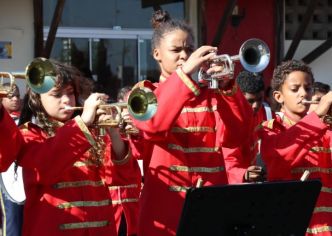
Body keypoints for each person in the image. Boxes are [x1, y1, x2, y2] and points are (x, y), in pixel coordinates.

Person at [130, 10, 253, 236]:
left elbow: (239, 136)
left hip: (212, 207)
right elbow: (154, 124)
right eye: (176, 50)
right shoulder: (145, 92)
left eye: (189, 49)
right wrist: (185, 74)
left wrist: (228, 88)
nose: (185, 56)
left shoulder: (213, 94)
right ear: (157, 53)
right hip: (166, 210)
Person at [17, 59, 140, 236]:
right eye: (57, 94)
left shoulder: (92, 132)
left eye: (70, 93)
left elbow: (125, 179)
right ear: (37, 98)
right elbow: (47, 166)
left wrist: (113, 133)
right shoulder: (30, 134)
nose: (66, 100)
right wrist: (82, 123)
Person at [258, 59, 332, 235]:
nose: (303, 94)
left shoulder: (328, 126)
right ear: (279, 97)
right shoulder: (270, 129)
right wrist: (317, 115)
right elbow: (279, 159)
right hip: (297, 225)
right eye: (295, 89)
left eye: (308, 88)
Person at [108, 85, 142, 236]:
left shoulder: (141, 131)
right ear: (119, 104)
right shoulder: (109, 131)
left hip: (135, 206)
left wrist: (138, 131)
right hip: (111, 209)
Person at [0, 83, 24, 236]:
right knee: (11, 222)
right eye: (10, 96)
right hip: (6, 176)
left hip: (21, 177)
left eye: (17, 95)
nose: (15, 99)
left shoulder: (27, 119)